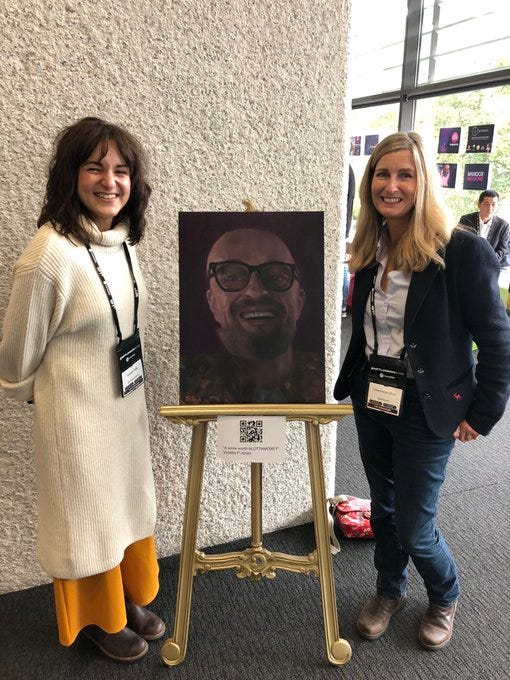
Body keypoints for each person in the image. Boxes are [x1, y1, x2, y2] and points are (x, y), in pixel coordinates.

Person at [334, 132, 510, 651]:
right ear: (370, 185)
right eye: (382, 175)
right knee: (383, 508)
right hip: (372, 397)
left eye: (404, 174)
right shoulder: (369, 248)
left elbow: (498, 341)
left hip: (428, 406)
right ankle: (389, 590)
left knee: (415, 525)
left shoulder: (462, 252)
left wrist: (483, 412)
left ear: (423, 182)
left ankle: (445, 594)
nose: (392, 185)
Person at [0, 117, 165, 663]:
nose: (109, 180)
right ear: (70, 175)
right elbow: (16, 355)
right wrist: (47, 398)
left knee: (124, 504)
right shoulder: (48, 256)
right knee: (88, 516)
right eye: (95, 167)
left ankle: (121, 599)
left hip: (123, 408)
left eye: (121, 170)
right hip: (75, 420)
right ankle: (98, 618)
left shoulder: (123, 241)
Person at [180, 227, 325, 403]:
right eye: (232, 278)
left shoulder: (322, 374)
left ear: (299, 302)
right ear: (213, 304)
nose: (256, 292)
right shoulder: (187, 382)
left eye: (276, 277)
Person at [459, 190, 510, 266]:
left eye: (493, 205)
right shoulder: (466, 220)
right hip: (468, 262)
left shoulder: (503, 225)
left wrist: (488, 263)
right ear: (479, 205)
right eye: (486, 204)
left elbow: (502, 249)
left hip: (491, 264)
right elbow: (459, 242)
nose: (490, 208)